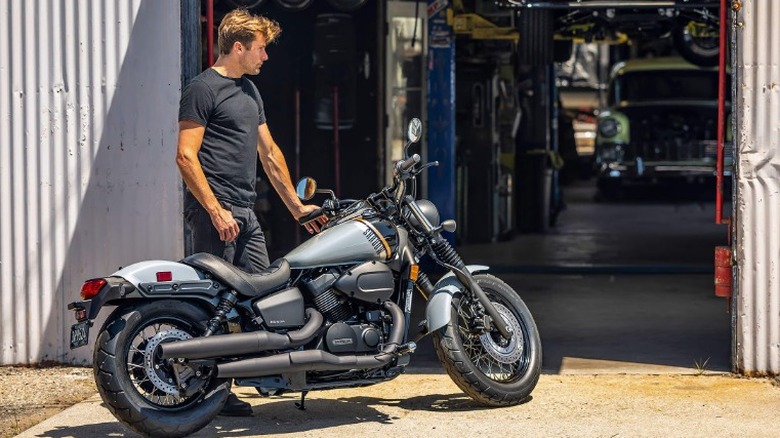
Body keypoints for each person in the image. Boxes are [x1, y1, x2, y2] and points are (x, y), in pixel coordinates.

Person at [176, 8, 326, 416]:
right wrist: (215, 210)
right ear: (238, 47)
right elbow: (186, 157)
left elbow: (270, 154)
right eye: (261, 49)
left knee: (265, 294)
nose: (266, 57)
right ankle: (212, 392)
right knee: (214, 303)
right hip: (215, 213)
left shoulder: (248, 92)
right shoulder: (202, 89)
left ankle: (266, 373)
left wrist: (297, 208)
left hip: (246, 212)